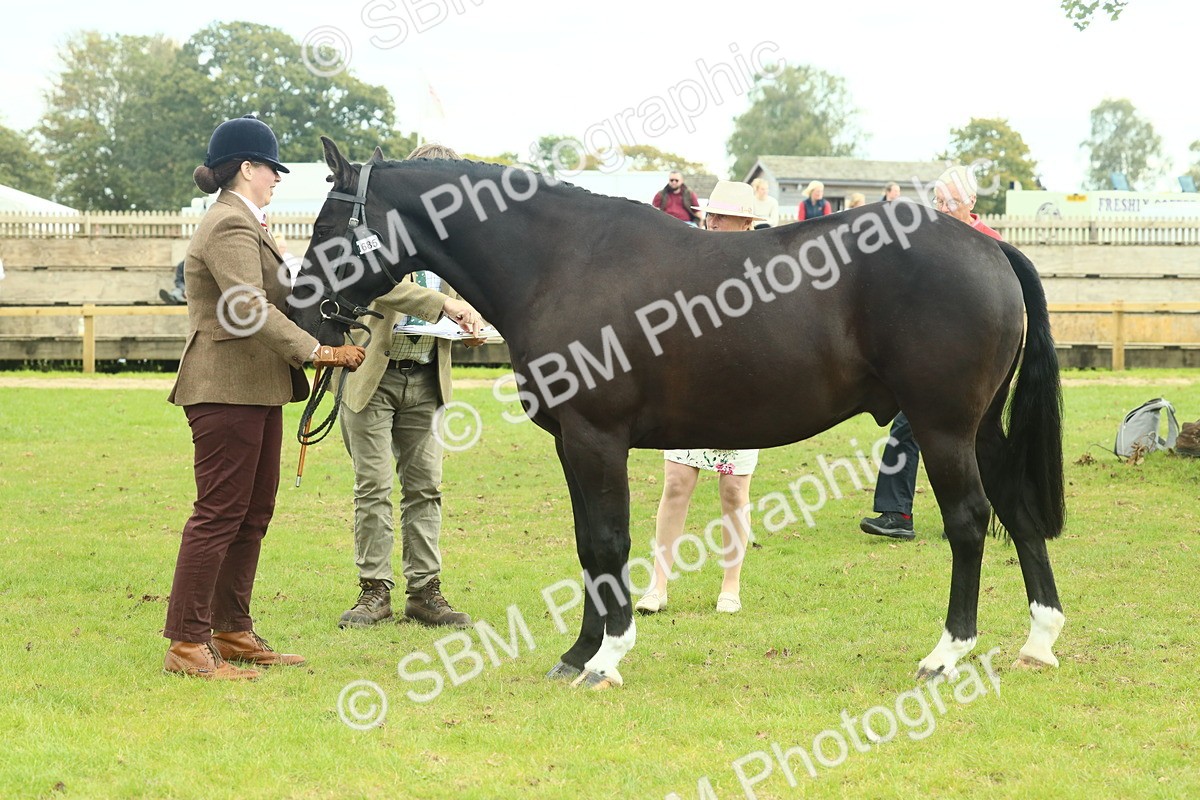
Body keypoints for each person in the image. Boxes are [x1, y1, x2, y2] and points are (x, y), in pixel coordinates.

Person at [162, 115, 366, 680]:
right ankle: (186, 642)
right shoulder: (229, 223)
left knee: (252, 513)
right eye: (272, 169)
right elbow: (249, 307)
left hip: (256, 387)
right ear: (247, 168)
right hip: (225, 387)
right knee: (219, 514)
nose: (277, 178)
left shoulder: (249, 223)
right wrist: (316, 352)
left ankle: (231, 630)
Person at [336, 142, 489, 630]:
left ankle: (424, 593)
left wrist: (470, 320)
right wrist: (443, 305)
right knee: (374, 487)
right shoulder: (380, 227)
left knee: (426, 489)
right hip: (371, 377)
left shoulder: (453, 238)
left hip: (427, 377)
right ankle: (373, 592)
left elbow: (465, 294)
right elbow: (379, 283)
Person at [635, 180, 762, 616]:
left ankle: (731, 585)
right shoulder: (688, 257)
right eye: (711, 214)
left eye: (722, 216)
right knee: (676, 483)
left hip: (741, 388)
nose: (712, 221)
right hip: (689, 386)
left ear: (745, 223)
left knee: (734, 491)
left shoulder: (763, 266)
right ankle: (657, 585)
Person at [860, 165, 1002, 541]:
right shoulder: (928, 242)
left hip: (974, 364)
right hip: (933, 361)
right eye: (937, 201)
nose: (942, 208)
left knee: (975, 434)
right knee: (907, 426)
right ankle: (897, 513)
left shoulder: (990, 244)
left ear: (971, 202)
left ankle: (966, 514)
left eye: (949, 202)